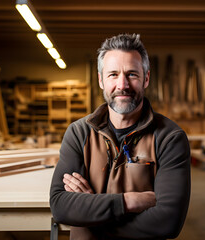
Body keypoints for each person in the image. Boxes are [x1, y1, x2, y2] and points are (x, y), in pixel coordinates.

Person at [50, 33, 191, 240]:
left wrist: (91, 216)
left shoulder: (170, 138)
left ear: (146, 78)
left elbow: (169, 221)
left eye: (132, 74)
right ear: (101, 80)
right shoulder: (79, 133)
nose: (122, 85)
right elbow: (60, 206)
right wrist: (129, 202)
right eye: (113, 74)